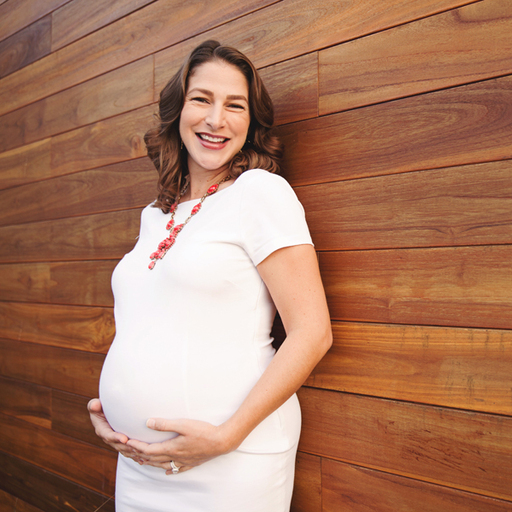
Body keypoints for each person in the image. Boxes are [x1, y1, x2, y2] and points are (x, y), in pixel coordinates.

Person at [87, 40, 332, 511]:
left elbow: (312, 332)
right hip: (138, 464)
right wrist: (110, 414)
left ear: (251, 122)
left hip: (232, 461)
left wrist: (225, 437)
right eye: (202, 99)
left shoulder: (260, 192)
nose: (216, 120)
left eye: (234, 106)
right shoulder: (155, 216)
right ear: (178, 109)